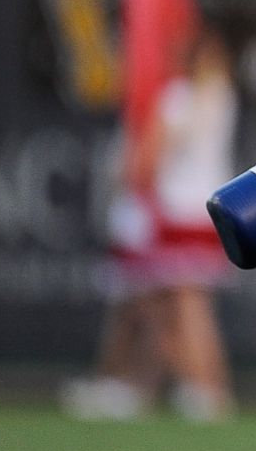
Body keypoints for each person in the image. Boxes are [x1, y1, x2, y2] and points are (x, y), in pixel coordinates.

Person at [129, 28, 239, 422]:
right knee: (167, 306)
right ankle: (156, 385)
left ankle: (206, 388)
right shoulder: (223, 96)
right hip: (211, 210)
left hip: (178, 212)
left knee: (188, 306)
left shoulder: (177, 99)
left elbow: (146, 162)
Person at [61, 163, 164, 421]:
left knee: (145, 303)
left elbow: (144, 157)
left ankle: (133, 383)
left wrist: (122, 177)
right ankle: (122, 382)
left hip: (146, 207)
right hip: (150, 205)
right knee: (135, 303)